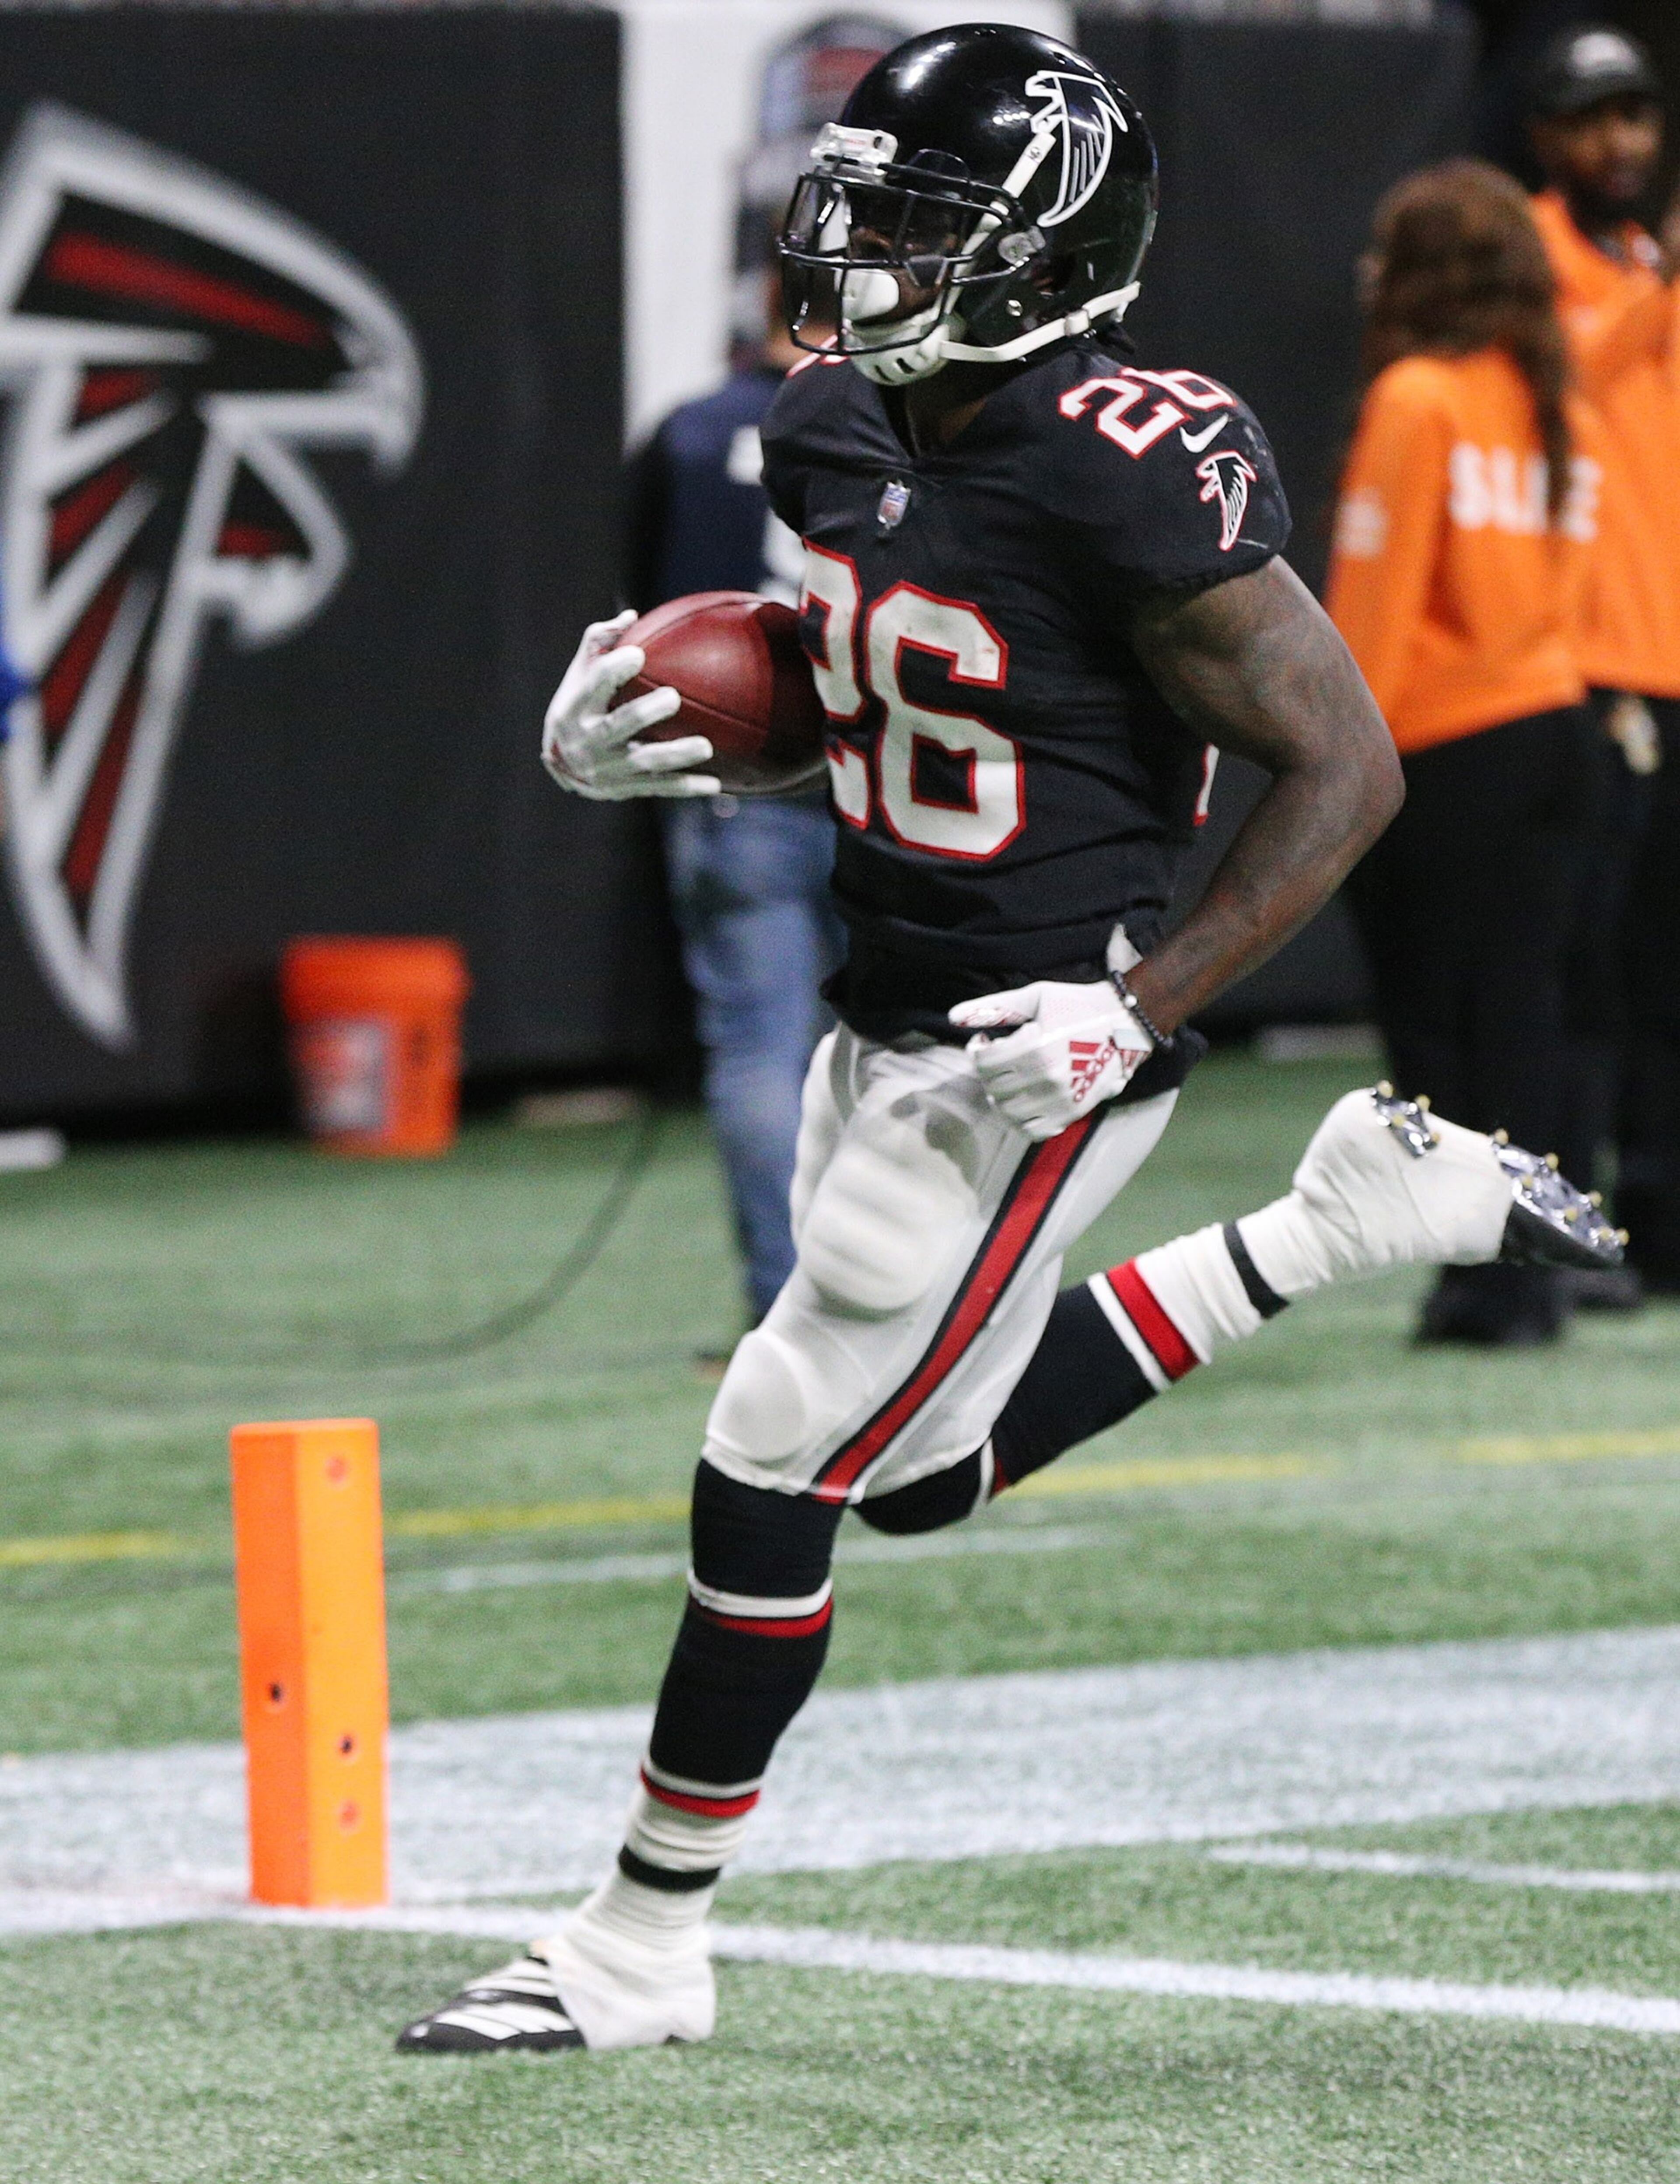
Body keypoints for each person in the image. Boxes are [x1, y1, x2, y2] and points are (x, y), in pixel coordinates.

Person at [397, 26, 1616, 2058]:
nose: (863, 252)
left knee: (767, 1449)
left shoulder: (1129, 451)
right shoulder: (835, 427)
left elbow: (1345, 764)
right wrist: (689, 744)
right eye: (862, 207)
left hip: (1030, 1032)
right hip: (884, 997)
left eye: (919, 219)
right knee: (921, 1475)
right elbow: (928, 707)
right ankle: (1330, 1221)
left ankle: (638, 1935)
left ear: (1052, 252)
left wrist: (1134, 1006)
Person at [1328, 160, 1604, 1346]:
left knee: (1436, 1035)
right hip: (1558, 734)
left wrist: (1332, 784)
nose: (1369, 272)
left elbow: (1372, 618)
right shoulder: (1559, 406)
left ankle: (1473, 1278)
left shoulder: (1417, 399)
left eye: (1391, 250)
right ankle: (1527, 1275)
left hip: (1444, 754)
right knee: (1525, 1021)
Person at [624, 290, 845, 1334]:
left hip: (738, 787)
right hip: (885, 770)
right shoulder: (903, 419)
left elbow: (641, 618)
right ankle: (906, 1308)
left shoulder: (696, 428)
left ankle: (785, 1311)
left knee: (764, 1051)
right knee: (904, 1052)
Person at [1526, 24, 1680, 1297]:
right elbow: (1552, 386)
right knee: (1577, 974)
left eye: (1633, 116)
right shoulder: (1527, 251)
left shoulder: (1640, 263)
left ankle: (1665, 1220)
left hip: (1669, 659)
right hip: (1584, 670)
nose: (1618, 142)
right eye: (1592, 118)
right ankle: (1569, 1232)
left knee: (1664, 972)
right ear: (1545, 136)